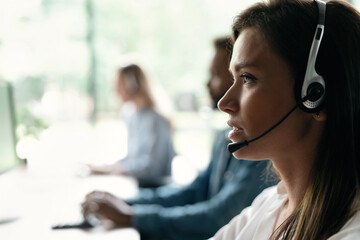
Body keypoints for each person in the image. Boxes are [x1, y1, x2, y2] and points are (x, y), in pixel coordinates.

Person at [81, 37, 274, 240]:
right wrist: (127, 203)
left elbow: (220, 217)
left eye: (217, 75)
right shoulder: (223, 138)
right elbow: (196, 191)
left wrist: (134, 216)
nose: (208, 84)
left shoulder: (260, 147)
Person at [213, 0, 360, 239]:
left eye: (248, 78)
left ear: (315, 94)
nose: (224, 103)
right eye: (234, 79)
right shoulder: (268, 205)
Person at [88, 63, 176, 188]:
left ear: (132, 85)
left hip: (156, 189)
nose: (116, 90)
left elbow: (152, 169)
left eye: (119, 84)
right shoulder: (132, 115)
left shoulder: (155, 119)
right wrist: (108, 167)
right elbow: (133, 159)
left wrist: (115, 169)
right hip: (139, 185)